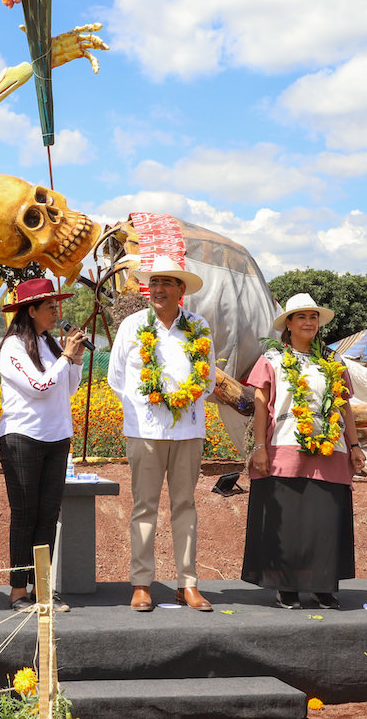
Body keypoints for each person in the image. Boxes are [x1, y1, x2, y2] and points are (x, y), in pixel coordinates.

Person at [243, 293, 366, 610]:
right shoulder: (272, 360)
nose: (309, 322)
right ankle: (286, 585)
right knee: (288, 520)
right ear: (289, 324)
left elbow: (345, 406)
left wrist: (354, 445)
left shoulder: (333, 361)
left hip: (330, 449)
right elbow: (260, 406)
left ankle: (323, 586)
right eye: (301, 317)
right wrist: (259, 446)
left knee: (324, 520)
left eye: (313, 317)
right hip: (285, 444)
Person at [108, 256, 216, 613]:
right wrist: (143, 412)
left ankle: (188, 584)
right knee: (144, 507)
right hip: (145, 431)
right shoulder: (132, 325)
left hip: (188, 431)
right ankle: (142, 583)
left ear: (181, 290)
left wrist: (180, 403)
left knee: (185, 506)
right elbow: (116, 378)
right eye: (154, 282)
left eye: (167, 283)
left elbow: (210, 379)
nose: (158, 289)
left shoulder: (198, 327)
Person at [0, 278, 86, 612]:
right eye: (50, 307)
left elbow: (68, 388)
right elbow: (40, 386)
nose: (56, 312)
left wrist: (73, 359)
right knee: (25, 514)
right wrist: (65, 357)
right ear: (30, 311)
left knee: (48, 515)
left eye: (56, 306)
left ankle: (42, 591)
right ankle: (19, 592)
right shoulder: (13, 347)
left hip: (56, 437)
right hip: (23, 438)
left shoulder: (48, 344)